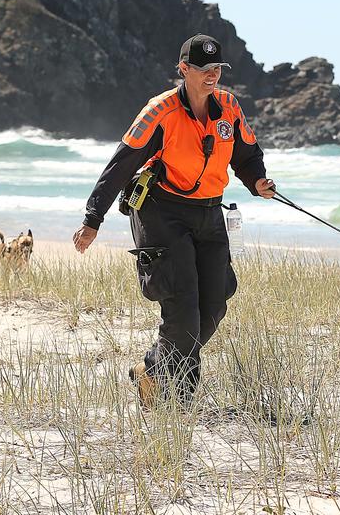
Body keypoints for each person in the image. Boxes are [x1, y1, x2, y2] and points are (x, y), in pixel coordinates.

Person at [73, 34, 276, 408]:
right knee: (182, 308)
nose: (212, 75)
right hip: (162, 211)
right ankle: (176, 403)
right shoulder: (160, 111)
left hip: (210, 211)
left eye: (217, 68)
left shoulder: (228, 106)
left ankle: (151, 370)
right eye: (203, 69)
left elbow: (247, 154)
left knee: (213, 305)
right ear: (184, 70)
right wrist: (93, 218)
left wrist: (257, 180)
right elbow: (122, 164)